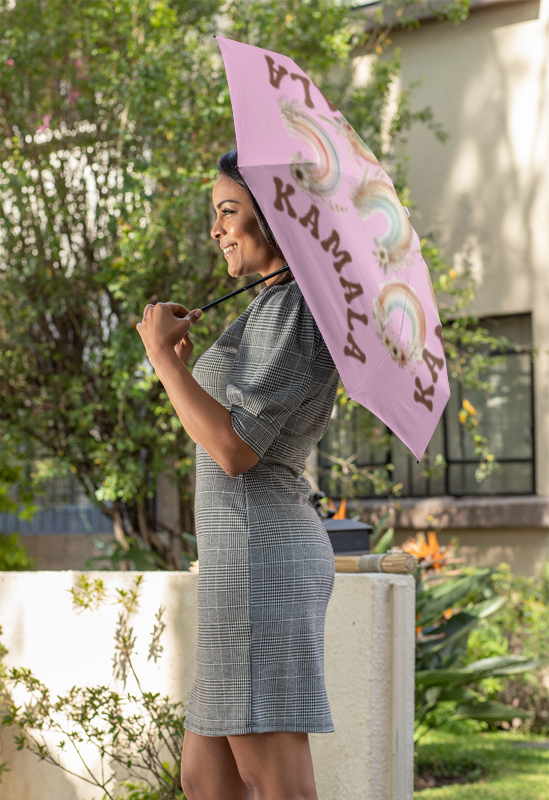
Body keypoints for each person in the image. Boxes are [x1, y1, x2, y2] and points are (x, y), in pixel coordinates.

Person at [136, 149, 339, 800]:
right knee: (208, 781)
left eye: (229, 213)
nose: (216, 230)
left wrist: (164, 362)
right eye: (213, 215)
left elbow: (234, 450)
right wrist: (182, 362)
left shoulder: (292, 309)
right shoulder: (266, 308)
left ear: (273, 219)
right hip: (241, 562)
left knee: (279, 787)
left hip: (261, 560)